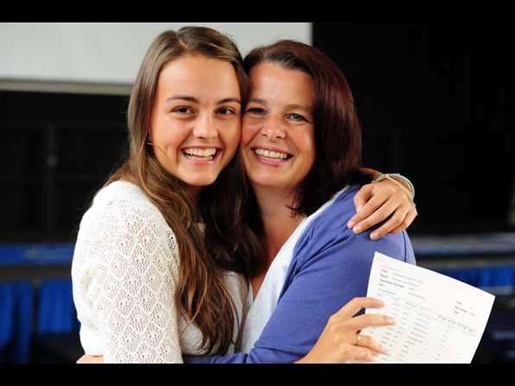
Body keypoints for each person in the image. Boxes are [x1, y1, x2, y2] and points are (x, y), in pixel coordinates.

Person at [72, 27, 416, 364]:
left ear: (329, 131)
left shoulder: (217, 209)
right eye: (184, 110)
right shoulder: (131, 221)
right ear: (146, 119)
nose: (206, 131)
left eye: (225, 110)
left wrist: (390, 182)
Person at [187, 39, 417, 363]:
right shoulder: (218, 213)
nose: (273, 131)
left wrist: (133, 355)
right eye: (256, 110)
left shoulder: (362, 227)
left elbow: (271, 362)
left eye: (296, 117)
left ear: (328, 132)